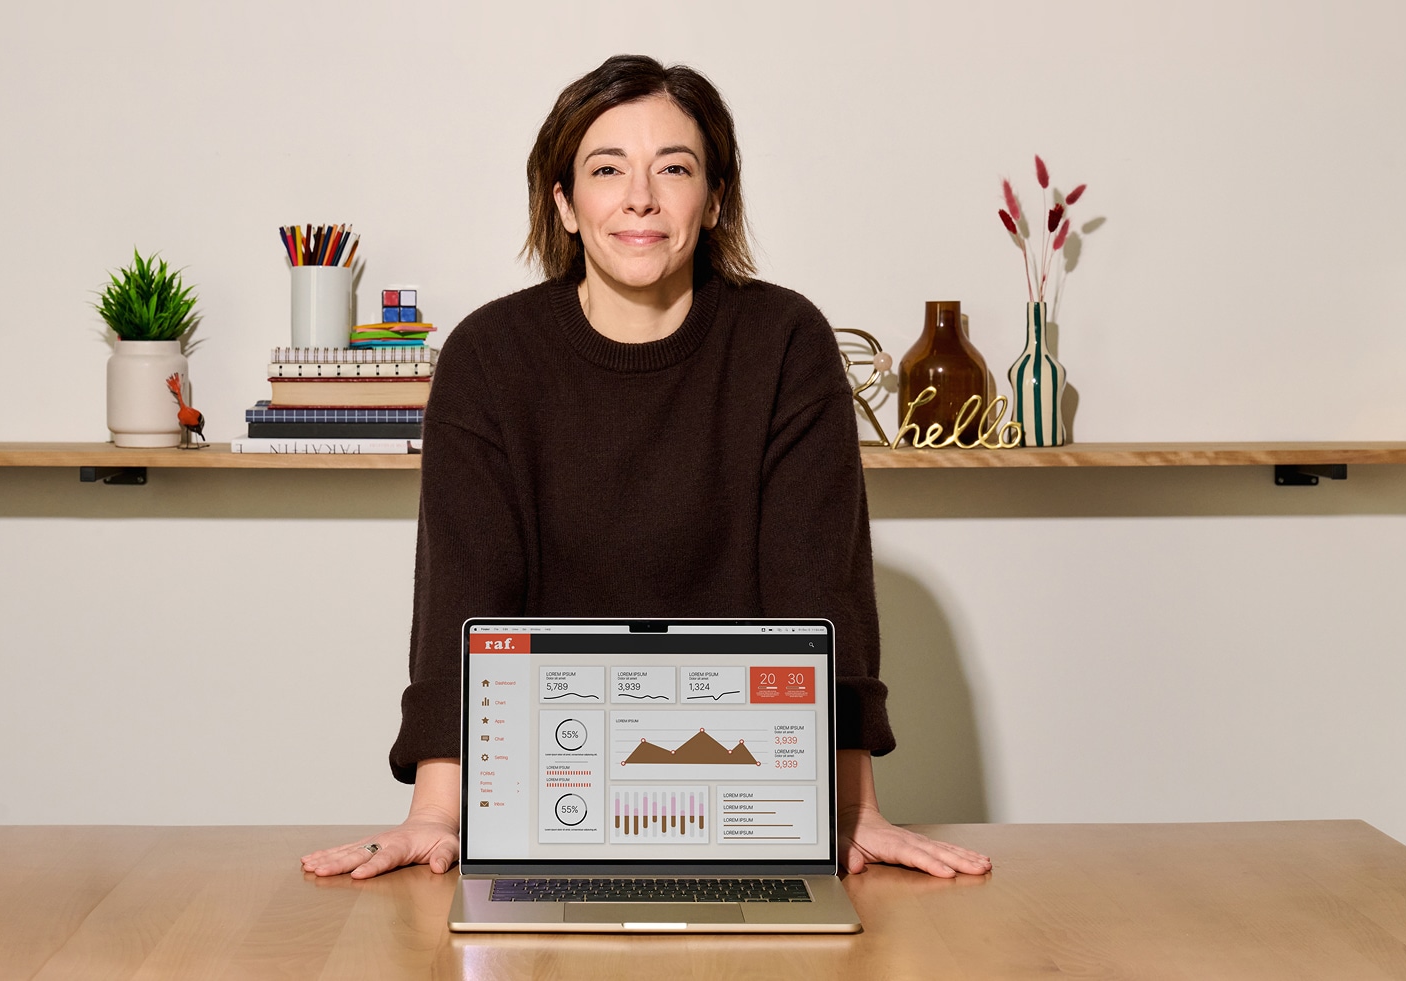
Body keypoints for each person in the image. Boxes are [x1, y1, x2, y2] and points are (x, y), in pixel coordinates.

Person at [303, 55, 990, 882]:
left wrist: (847, 809)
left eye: (674, 168)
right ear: (563, 203)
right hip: (542, 813)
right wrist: (436, 814)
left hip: (751, 810)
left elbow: (821, 591)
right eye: (606, 170)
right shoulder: (489, 358)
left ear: (715, 200)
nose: (640, 198)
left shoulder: (785, 343)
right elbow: (463, 594)